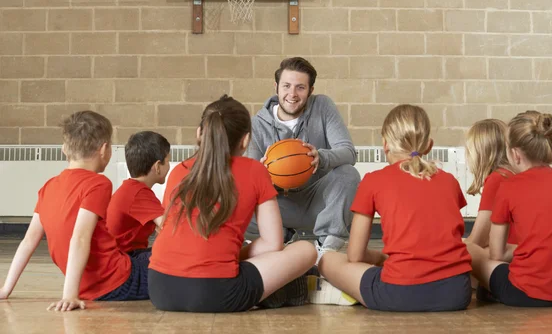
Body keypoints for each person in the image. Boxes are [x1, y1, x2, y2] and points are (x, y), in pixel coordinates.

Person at [148, 95, 317, 313]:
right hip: (217, 293)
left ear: (200, 133)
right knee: (306, 249)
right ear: (245, 140)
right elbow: (273, 244)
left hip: (160, 289)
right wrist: (232, 257)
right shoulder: (256, 171)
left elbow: (167, 229)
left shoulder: (179, 171)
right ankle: (273, 292)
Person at [312, 104, 472, 311]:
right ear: (429, 145)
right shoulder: (450, 181)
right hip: (457, 293)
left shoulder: (373, 181)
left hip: (399, 294)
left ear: (385, 144)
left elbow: (355, 256)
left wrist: (380, 258)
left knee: (328, 259)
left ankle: (342, 291)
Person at [0, 111, 148, 311]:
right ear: (104, 149)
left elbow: (28, 241)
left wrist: (6, 288)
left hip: (90, 285)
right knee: (166, 256)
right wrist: (69, 295)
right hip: (118, 283)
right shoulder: (98, 184)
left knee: (140, 254)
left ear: (64, 149)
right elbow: (79, 238)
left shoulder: (48, 186)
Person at [467, 111, 552, 307]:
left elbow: (496, 254)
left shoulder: (508, 186)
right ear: (550, 148)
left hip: (527, 293)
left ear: (514, 154)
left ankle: (485, 289)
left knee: (466, 248)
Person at [247, 57, 360, 258]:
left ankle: (327, 248)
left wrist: (321, 157)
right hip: (278, 206)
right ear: (276, 87)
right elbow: (251, 184)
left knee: (348, 174)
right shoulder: (257, 124)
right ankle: (278, 237)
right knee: (240, 192)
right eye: (287, 86)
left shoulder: (323, 106)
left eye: (300, 87)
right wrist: (261, 174)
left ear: (310, 90)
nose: (292, 94)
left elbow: (348, 152)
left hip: (317, 202)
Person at [107, 131, 171, 256]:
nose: (168, 166)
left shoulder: (131, 188)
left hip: (124, 255)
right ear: (157, 166)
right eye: (168, 161)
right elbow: (168, 227)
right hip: (124, 259)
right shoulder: (139, 193)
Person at [464, 119, 516, 253]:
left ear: (480, 153)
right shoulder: (511, 175)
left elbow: (478, 240)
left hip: (510, 259)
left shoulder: (497, 179)